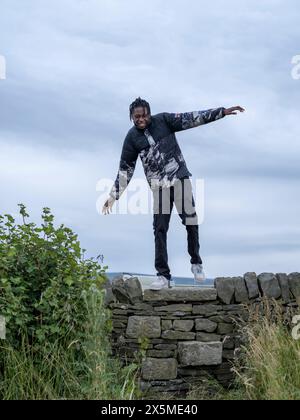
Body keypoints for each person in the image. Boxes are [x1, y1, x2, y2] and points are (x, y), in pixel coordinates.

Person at [102, 98, 245, 290]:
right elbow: (125, 169)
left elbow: (191, 118)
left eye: (144, 115)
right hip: (159, 187)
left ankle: (196, 263)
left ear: (149, 113)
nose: (141, 119)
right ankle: (163, 276)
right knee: (159, 229)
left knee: (191, 220)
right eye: (137, 117)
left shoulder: (164, 121)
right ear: (131, 117)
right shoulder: (132, 138)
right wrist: (113, 196)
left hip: (179, 178)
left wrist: (221, 112)